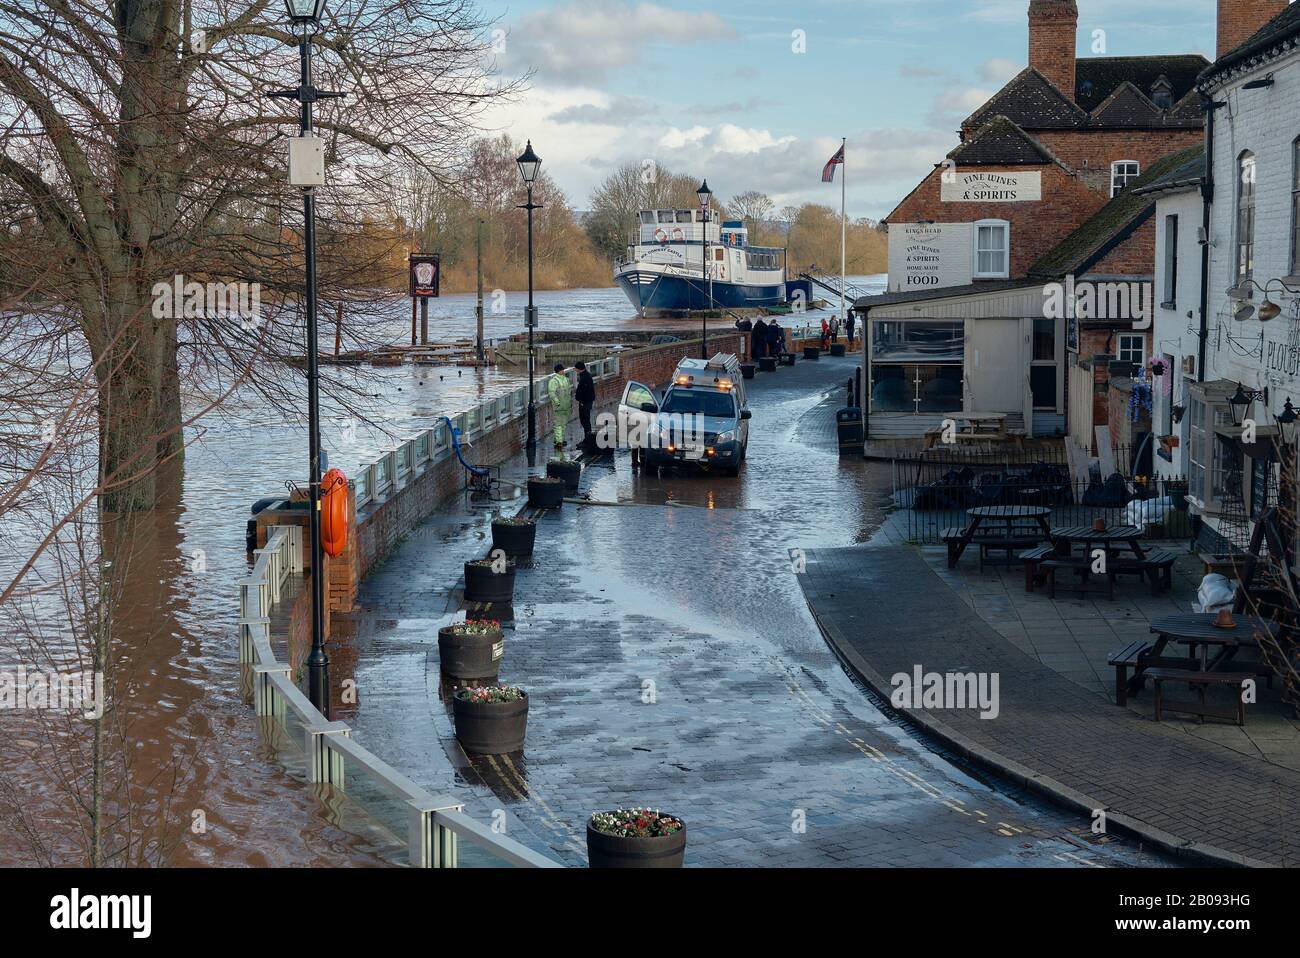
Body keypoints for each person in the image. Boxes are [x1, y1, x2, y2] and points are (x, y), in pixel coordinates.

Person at [547, 362, 572, 449]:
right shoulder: (555, 381)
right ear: (559, 371)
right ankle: (559, 441)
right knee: (559, 424)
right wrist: (557, 402)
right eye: (562, 370)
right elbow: (552, 393)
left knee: (563, 424)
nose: (564, 371)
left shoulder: (565, 379)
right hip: (560, 406)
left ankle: (560, 440)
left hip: (565, 406)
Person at [575, 361, 596, 447]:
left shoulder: (585, 378)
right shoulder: (586, 375)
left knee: (585, 421)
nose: (575, 370)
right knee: (585, 421)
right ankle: (587, 439)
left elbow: (585, 391)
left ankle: (588, 440)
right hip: (586, 402)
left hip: (585, 403)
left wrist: (582, 401)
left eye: (576, 368)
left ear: (580, 369)